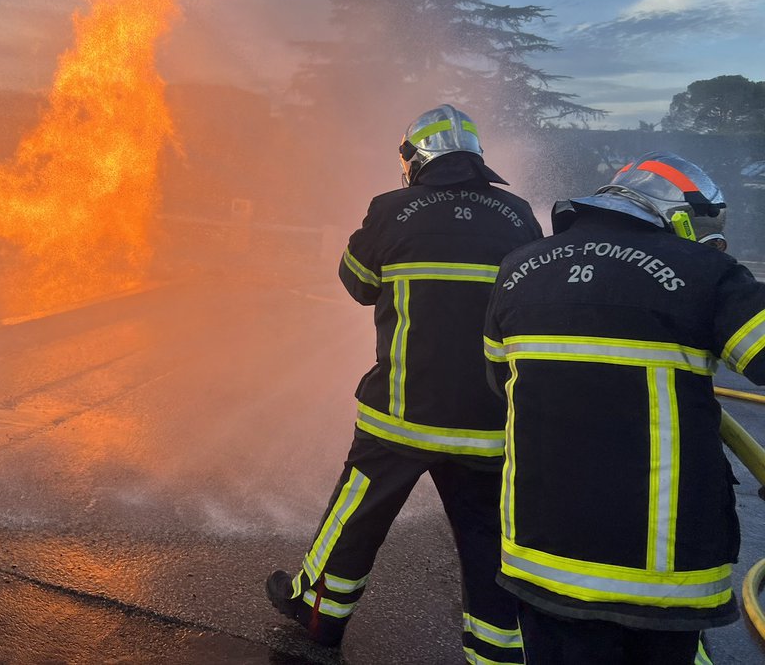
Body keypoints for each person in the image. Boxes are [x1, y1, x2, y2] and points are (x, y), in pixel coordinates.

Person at [267, 104, 542, 659]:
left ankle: (319, 615)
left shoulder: (393, 209)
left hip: (401, 413)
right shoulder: (517, 215)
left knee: (357, 518)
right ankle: (497, 651)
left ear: (415, 159)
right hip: (489, 421)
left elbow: (358, 282)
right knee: (490, 538)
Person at [483, 152, 765, 664]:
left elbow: (500, 381)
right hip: (661, 571)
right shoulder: (707, 273)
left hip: (542, 556)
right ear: (682, 218)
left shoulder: (517, 269)